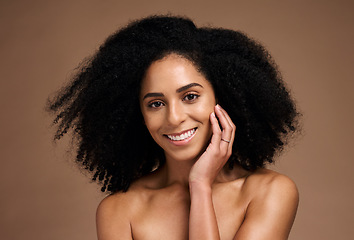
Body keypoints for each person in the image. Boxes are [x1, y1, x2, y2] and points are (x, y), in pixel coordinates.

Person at [48, 15, 300, 240]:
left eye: (190, 96)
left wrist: (200, 186)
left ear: (222, 98)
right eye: (156, 103)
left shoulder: (270, 192)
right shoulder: (119, 211)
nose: (174, 117)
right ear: (139, 115)